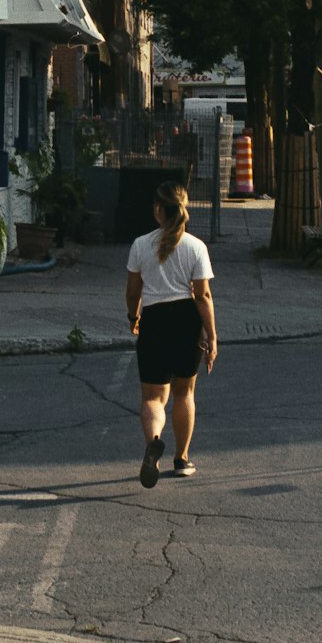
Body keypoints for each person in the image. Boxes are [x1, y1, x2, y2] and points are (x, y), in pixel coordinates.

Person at [125, 182, 217, 487]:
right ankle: (182, 458)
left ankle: (154, 441)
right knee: (184, 393)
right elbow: (202, 296)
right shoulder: (196, 247)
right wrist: (212, 336)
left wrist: (134, 316)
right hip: (186, 322)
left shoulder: (140, 245)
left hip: (154, 321)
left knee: (153, 397)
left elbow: (132, 291)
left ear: (158, 210)